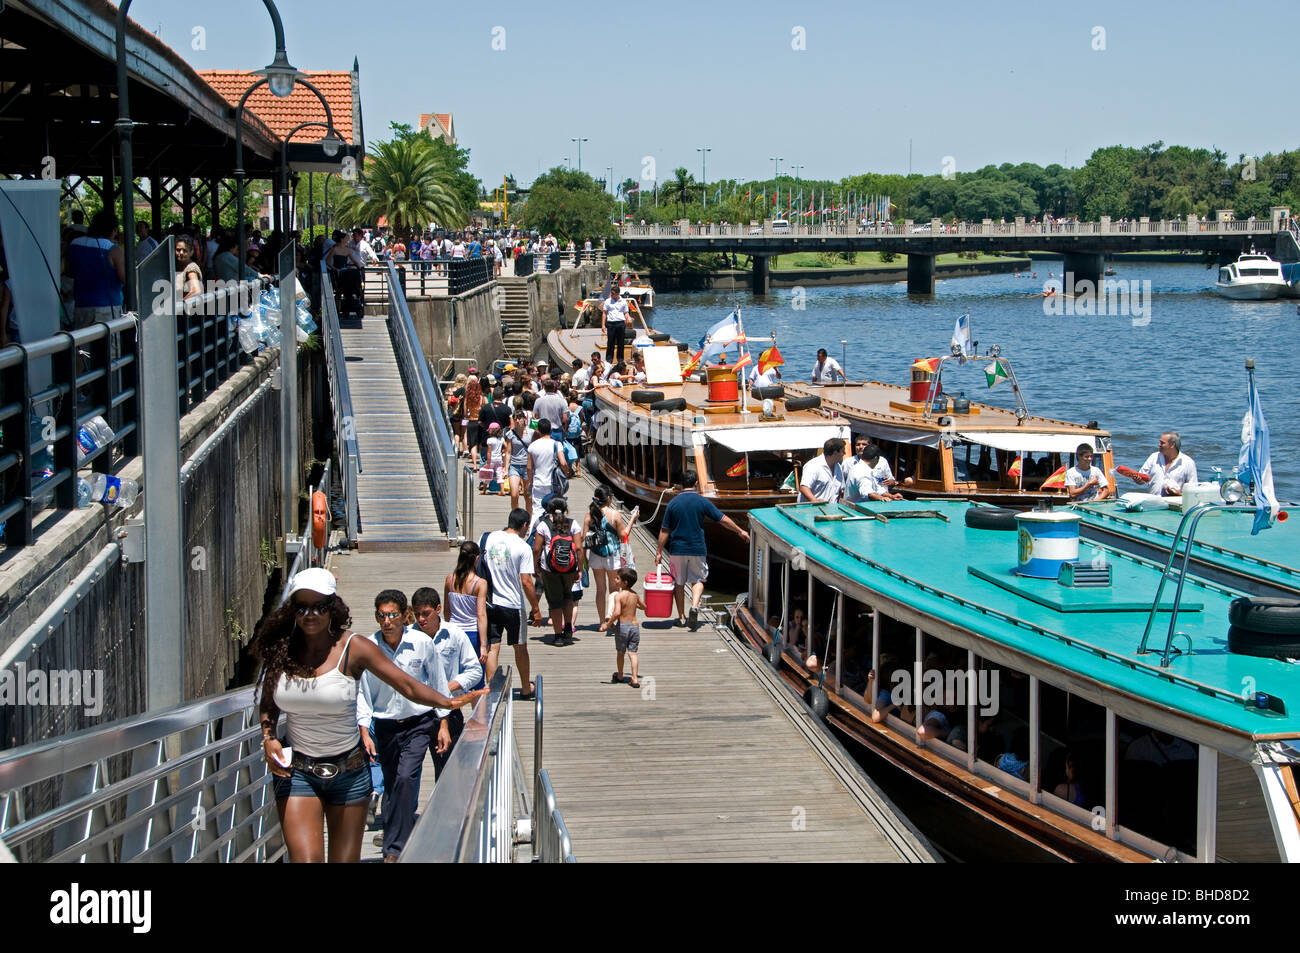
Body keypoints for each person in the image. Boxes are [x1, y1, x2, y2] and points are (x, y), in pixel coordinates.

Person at [255, 569, 480, 863]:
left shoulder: (355, 647)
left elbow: (407, 684)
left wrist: (447, 704)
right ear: (292, 610)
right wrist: (268, 736)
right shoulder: (282, 649)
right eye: (302, 607)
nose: (310, 614)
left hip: (348, 771)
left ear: (332, 608)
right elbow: (268, 700)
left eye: (319, 606)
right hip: (297, 770)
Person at [354, 589, 446, 862]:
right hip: (384, 725)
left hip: (419, 722)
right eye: (382, 615)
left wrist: (442, 724)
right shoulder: (368, 647)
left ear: (404, 616)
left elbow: (437, 682)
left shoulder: (421, 643)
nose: (387, 621)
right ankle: (393, 845)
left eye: (393, 614)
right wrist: (363, 730)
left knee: (406, 777)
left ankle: (395, 849)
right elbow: (363, 692)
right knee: (393, 786)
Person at [655, 469, 750, 629]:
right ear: (696, 483)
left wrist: (659, 551)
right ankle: (694, 606)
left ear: (680, 484)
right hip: (697, 548)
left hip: (677, 549)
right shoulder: (702, 501)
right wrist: (740, 531)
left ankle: (682, 618)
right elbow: (722, 519)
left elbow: (665, 530)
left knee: (678, 583)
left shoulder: (673, 503)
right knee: (697, 580)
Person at [410, 588, 482, 777]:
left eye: (426, 614)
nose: (421, 619)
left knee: (447, 772)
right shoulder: (407, 636)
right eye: (416, 614)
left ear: (438, 609)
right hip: (414, 713)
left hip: (449, 710)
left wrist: (447, 687)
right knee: (407, 773)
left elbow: (474, 671)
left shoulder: (455, 634)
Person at [482, 508, 543, 700]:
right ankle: (526, 688)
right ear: (525, 525)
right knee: (520, 647)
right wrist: (536, 608)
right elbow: (526, 581)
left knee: (493, 647)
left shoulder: (487, 538)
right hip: (513, 604)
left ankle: (492, 690)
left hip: (489, 602)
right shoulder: (523, 547)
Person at [533, 496, 582, 644]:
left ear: (549, 510)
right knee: (568, 596)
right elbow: (579, 548)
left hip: (550, 569)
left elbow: (536, 549)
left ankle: (558, 635)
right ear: (565, 509)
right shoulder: (573, 524)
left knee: (554, 602)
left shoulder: (543, 525)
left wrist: (535, 566)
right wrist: (579, 569)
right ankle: (568, 626)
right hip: (570, 568)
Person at [65, 210, 125, 330]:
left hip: (81, 305)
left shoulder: (75, 244)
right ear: (113, 230)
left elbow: (69, 271)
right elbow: (125, 278)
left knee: (83, 346)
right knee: (109, 347)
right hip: (108, 306)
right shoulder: (114, 250)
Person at [443, 541, 490, 679]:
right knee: (476, 678)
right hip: (473, 634)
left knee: (455, 676)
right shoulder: (480, 583)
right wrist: (483, 645)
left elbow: (447, 611)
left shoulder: (449, 580)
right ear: (476, 558)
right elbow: (481, 615)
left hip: (454, 633)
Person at [583, 486, 624, 631]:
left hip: (595, 555)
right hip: (612, 556)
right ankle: (610, 617)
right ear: (609, 499)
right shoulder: (615, 515)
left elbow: (584, 538)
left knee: (600, 590)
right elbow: (623, 536)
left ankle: (602, 622)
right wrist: (632, 520)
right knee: (614, 589)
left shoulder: (590, 514)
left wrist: (584, 561)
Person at [606, 568, 646, 688]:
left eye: (618, 578)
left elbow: (617, 613)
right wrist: (635, 605)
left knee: (620, 652)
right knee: (633, 653)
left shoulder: (619, 596)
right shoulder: (635, 595)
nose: (615, 579)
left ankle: (620, 675)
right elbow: (644, 607)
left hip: (622, 627)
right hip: (634, 626)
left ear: (625, 582)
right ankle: (634, 678)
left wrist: (607, 624)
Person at [525, 417, 569, 521]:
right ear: (550, 429)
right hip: (553, 484)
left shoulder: (532, 446)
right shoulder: (557, 444)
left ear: (538, 430)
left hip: (538, 482)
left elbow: (529, 467)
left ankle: (534, 532)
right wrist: (566, 473)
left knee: (537, 509)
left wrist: (530, 482)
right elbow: (563, 463)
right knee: (553, 509)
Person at [1137, 431, 1197, 497]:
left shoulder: (1188, 463)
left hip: (1175, 504)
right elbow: (1141, 480)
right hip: (1153, 503)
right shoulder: (1154, 457)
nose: (1159, 444)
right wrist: (1138, 479)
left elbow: (1193, 491)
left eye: (1162, 443)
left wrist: (1179, 494)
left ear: (1172, 445)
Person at [799, 437, 847, 503]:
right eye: (843, 451)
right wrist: (815, 501)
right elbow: (804, 488)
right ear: (835, 452)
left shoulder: (838, 467)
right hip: (811, 510)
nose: (845, 453)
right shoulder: (813, 465)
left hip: (831, 510)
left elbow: (839, 491)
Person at [503, 409, 533, 511]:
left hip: (527, 466)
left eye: (519, 418)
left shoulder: (531, 433)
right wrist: (506, 469)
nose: (517, 421)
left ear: (524, 419)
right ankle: (515, 517)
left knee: (527, 496)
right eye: (515, 419)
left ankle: (528, 520)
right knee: (514, 494)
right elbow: (508, 452)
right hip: (514, 466)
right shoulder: (510, 434)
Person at [602, 284, 630, 364]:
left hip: (620, 323)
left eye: (613, 293)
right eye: (611, 293)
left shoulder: (623, 302)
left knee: (621, 342)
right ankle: (609, 360)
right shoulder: (608, 301)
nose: (611, 295)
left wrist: (628, 318)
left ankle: (620, 359)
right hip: (611, 323)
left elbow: (626, 313)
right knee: (610, 342)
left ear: (618, 294)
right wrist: (603, 325)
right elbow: (604, 313)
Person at [173, 235, 204, 302]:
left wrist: (180, 305)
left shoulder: (191, 268)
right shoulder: (177, 266)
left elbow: (196, 291)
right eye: (178, 250)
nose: (181, 253)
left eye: (185, 250)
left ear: (191, 252)